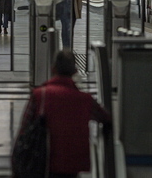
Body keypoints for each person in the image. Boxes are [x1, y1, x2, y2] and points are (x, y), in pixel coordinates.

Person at [14, 50, 111, 178]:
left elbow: (24, 129)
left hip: (44, 163)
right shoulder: (86, 100)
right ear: (75, 71)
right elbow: (106, 118)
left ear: (53, 69)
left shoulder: (40, 95)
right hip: (73, 165)